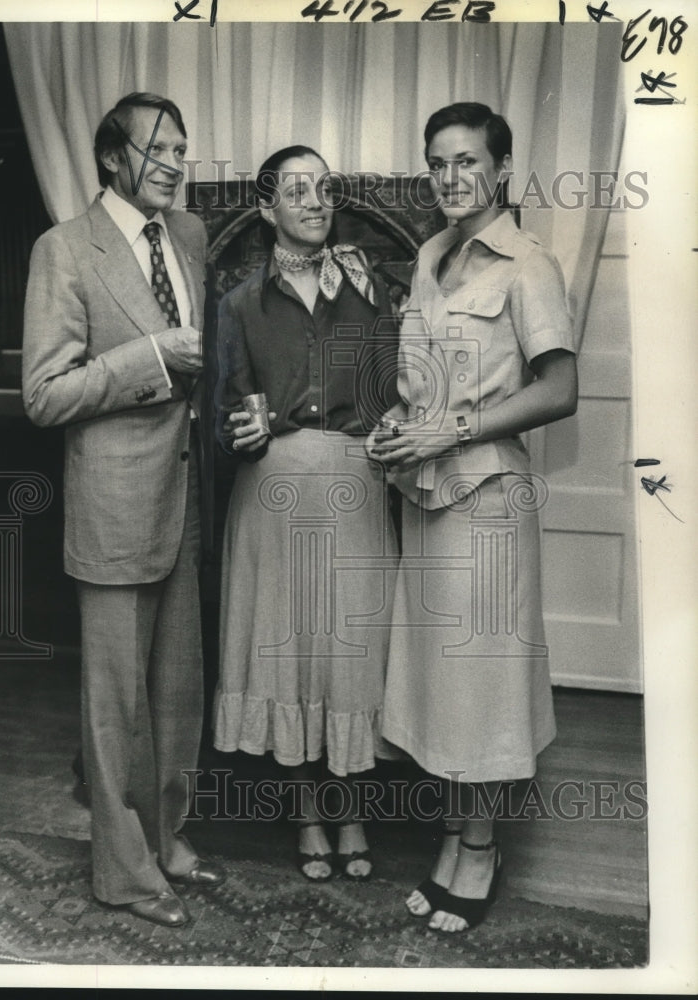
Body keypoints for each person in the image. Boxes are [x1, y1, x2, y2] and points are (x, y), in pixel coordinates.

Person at [369, 103, 578, 931]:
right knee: (442, 689)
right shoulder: (430, 256)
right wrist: (400, 423)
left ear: (499, 169)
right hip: (424, 496)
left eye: (465, 162)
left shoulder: (528, 265)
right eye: (436, 163)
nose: (449, 178)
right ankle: (454, 835)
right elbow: (424, 384)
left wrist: (452, 427)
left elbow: (559, 390)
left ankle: (480, 850)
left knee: (483, 687)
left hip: (486, 500)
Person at [22, 92, 224, 928]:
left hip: (186, 497)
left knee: (177, 692)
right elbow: (43, 394)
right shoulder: (63, 250)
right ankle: (124, 873)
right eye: (158, 149)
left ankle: (167, 841)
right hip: (111, 506)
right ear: (112, 158)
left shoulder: (191, 236)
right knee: (114, 703)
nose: (176, 162)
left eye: (182, 146)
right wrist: (147, 356)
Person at [213, 146, 399, 881]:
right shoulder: (237, 303)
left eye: (323, 189)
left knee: (347, 653)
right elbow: (225, 409)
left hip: (354, 483)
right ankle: (307, 816)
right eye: (297, 191)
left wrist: (388, 424)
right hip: (274, 491)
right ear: (267, 210)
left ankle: (351, 810)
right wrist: (242, 427)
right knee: (287, 651)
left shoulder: (369, 287)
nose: (315, 201)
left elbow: (391, 387)